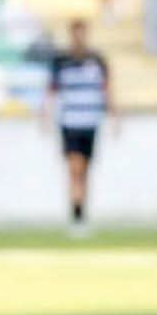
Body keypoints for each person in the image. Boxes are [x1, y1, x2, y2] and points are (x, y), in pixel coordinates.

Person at [46, 19, 114, 237]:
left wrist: (114, 115)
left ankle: (81, 213)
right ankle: (76, 214)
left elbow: (107, 90)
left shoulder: (97, 60)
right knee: (74, 168)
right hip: (70, 122)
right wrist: (45, 115)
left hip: (90, 122)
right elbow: (51, 91)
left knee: (85, 171)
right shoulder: (61, 61)